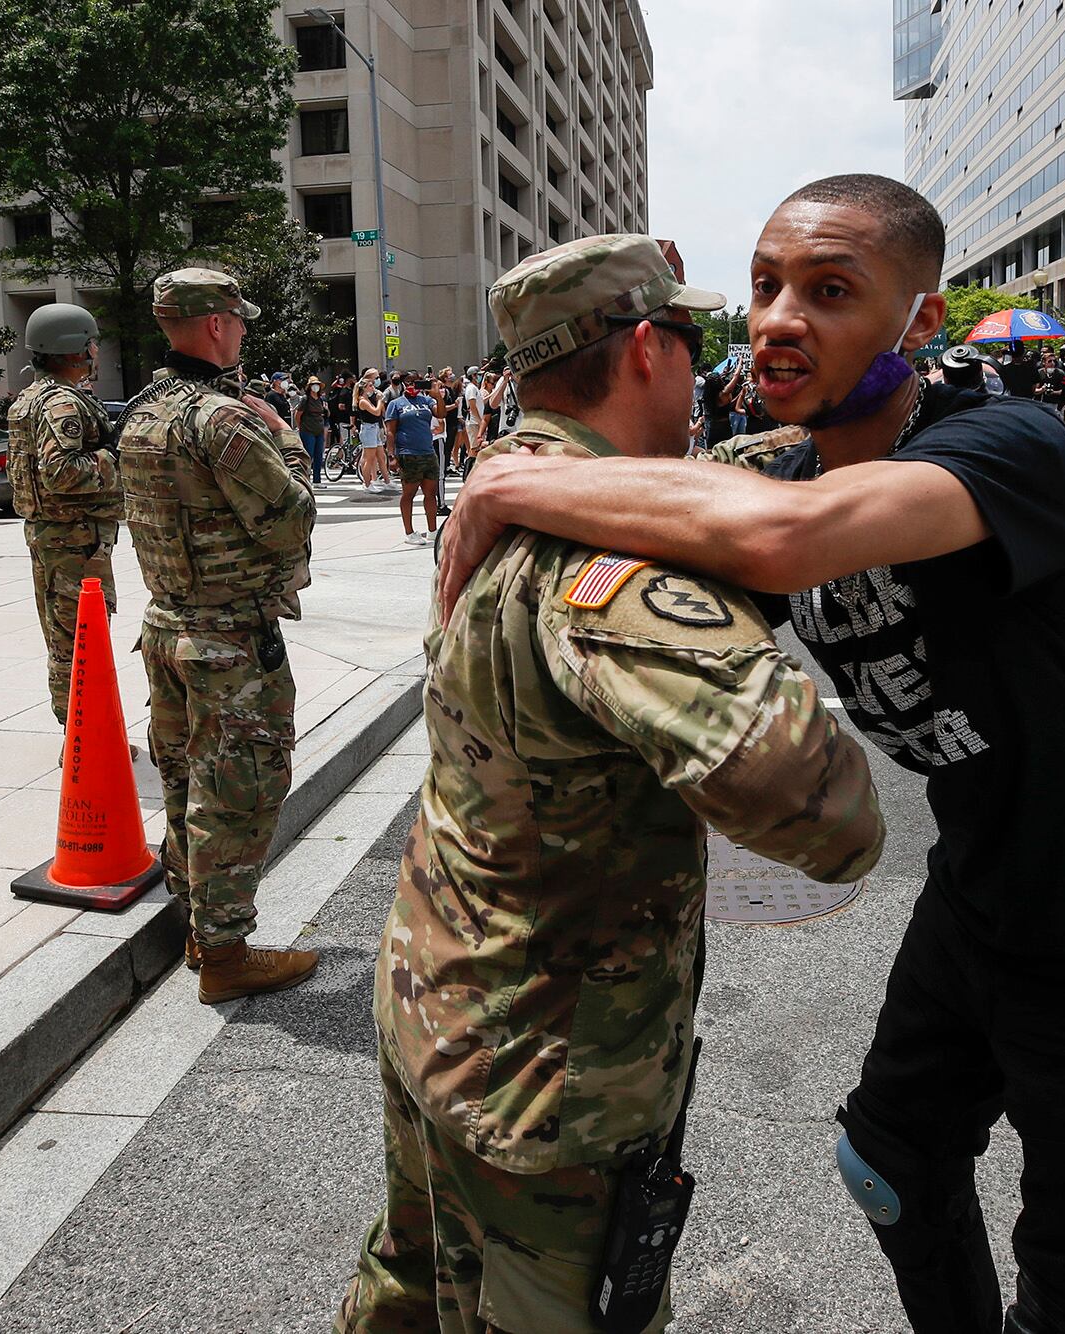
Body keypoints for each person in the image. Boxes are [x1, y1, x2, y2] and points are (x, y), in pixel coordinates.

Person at [437, 174, 1065, 1334]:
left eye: (829, 291)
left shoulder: (999, 442)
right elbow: (698, 510)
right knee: (885, 1162)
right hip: (977, 893)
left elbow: (782, 543)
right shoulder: (781, 462)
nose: (777, 318)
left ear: (917, 320)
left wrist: (518, 474)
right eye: (766, 286)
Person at [337, 232, 885, 1333]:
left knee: (407, 1284)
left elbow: (717, 473)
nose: (704, 370)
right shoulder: (611, 566)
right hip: (544, 1076)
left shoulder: (505, 488)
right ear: (647, 349)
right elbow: (831, 821)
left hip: (435, 995)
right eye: (691, 341)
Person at [118, 267, 320, 1002]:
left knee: (181, 782)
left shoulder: (141, 415)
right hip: (229, 643)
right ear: (215, 325)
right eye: (238, 321)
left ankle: (201, 932)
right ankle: (228, 955)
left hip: (166, 630)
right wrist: (287, 437)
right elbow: (292, 515)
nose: (242, 331)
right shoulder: (223, 420)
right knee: (237, 792)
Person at [6, 303, 121, 725]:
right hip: (74, 543)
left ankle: (79, 733)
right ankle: (87, 742)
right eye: (91, 343)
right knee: (82, 640)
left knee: (65, 639)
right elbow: (61, 472)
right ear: (75, 351)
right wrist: (113, 457)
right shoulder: (61, 405)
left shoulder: (31, 399)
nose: (95, 351)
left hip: (56, 539)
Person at [383, 372, 443, 545]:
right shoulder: (396, 404)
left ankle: (432, 530)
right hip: (408, 453)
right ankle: (409, 532)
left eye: (415, 382)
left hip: (428, 452)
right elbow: (390, 431)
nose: (411, 385)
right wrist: (391, 456)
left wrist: (437, 395)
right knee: (408, 494)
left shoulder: (426, 400)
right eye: (407, 382)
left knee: (431, 494)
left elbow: (440, 414)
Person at [353, 366, 388, 493]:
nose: (373, 387)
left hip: (373, 428)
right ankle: (367, 484)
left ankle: (379, 481)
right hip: (368, 429)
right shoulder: (362, 401)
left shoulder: (367, 399)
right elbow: (376, 412)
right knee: (369, 458)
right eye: (370, 386)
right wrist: (379, 401)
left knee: (376, 456)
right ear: (364, 388)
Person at [296, 376, 328, 484]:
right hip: (307, 429)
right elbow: (298, 414)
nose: (316, 387)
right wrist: (300, 427)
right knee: (309, 455)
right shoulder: (305, 399)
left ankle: (317, 480)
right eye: (314, 385)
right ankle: (306, 479)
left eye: (318, 385)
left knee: (319, 455)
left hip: (319, 429)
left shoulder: (320, 399)